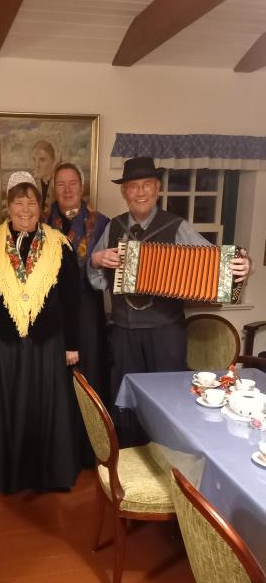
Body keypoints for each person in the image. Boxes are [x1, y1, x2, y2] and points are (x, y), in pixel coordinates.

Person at [87, 156, 251, 446]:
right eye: (133, 186)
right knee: (126, 401)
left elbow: (215, 265)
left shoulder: (177, 227)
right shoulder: (113, 228)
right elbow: (96, 282)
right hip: (124, 333)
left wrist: (243, 266)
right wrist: (96, 260)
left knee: (169, 400)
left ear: (157, 188)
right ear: (124, 192)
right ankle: (129, 458)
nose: (140, 192)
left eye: (147, 185)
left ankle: (168, 461)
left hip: (166, 333)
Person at [0, 170, 81, 494]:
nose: (25, 210)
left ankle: (45, 475)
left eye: (31, 203)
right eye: (18, 203)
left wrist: (72, 344)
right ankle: (5, 474)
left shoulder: (59, 244)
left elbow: (71, 299)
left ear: (41, 207)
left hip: (46, 343)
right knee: (4, 407)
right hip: (0, 342)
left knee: (42, 407)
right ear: (8, 206)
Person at [46, 161, 109, 466]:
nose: (67, 189)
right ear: (53, 189)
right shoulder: (42, 223)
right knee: (56, 380)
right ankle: (59, 452)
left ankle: (89, 450)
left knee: (89, 377)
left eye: (73, 183)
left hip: (88, 311)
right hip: (51, 313)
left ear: (82, 187)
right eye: (61, 184)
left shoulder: (102, 223)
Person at [31, 140, 57, 217]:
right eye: (34, 160)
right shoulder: (32, 185)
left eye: (42, 160)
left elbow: (71, 213)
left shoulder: (60, 184)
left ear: (53, 161)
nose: (37, 165)